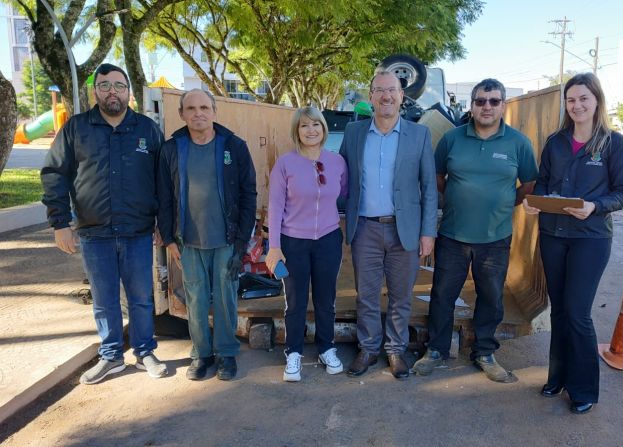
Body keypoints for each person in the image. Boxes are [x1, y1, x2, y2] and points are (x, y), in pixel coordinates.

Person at [41, 63, 167, 384]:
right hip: (93, 233)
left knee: (141, 297)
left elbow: (164, 180)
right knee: (104, 298)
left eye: (119, 86)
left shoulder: (147, 130)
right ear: (95, 91)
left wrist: (162, 223)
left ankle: (144, 351)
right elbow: (55, 174)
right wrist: (60, 223)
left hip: (137, 232)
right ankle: (111, 356)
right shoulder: (76, 129)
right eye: (105, 85)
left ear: (129, 92)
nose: (113, 91)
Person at [413, 78, 538, 383]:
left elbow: (530, 186)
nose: (487, 106)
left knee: (491, 296)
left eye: (494, 101)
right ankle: (437, 351)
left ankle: (484, 351)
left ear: (503, 106)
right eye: (480, 101)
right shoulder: (452, 139)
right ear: (471, 105)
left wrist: (507, 202)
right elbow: (438, 178)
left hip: (495, 238)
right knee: (442, 294)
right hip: (453, 234)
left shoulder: (518, 143)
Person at [523, 73, 623, 414]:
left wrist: (594, 207)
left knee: (579, 313)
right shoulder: (555, 142)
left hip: (591, 239)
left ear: (597, 100)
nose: (577, 105)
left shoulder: (613, 144)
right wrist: (535, 200)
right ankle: (557, 377)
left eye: (584, 98)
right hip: (554, 236)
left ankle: (583, 388)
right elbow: (543, 182)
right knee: (561, 310)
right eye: (571, 100)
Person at [340, 71, 438, 380]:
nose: (386, 96)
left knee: (401, 295)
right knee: (366, 294)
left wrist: (428, 232)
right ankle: (368, 348)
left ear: (401, 96)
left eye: (392, 90)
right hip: (365, 228)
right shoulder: (354, 133)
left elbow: (429, 188)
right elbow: (340, 180)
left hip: (404, 228)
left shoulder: (418, 135)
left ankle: (396, 350)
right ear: (370, 96)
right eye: (379, 90)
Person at [157, 89, 257, 381]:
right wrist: (169, 239)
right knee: (195, 298)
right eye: (191, 108)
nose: (198, 113)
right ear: (182, 114)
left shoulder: (234, 147)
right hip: (187, 241)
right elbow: (163, 196)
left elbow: (248, 194)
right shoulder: (172, 149)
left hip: (226, 239)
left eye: (204, 107)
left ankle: (226, 354)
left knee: (226, 298)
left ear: (214, 111)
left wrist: (241, 241)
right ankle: (201, 355)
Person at [265, 107, 348, 382]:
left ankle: (326, 347)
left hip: (328, 239)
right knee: (296, 301)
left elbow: (343, 194)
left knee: (326, 298)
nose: (311, 130)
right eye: (304, 126)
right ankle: (294, 353)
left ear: (324, 128)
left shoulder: (337, 162)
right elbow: (275, 207)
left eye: (316, 124)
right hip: (293, 242)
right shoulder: (285, 164)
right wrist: (274, 247)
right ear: (296, 131)